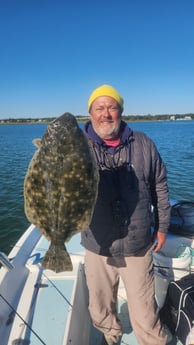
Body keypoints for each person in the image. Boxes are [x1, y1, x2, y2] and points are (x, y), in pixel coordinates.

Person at [81, 84, 171, 345]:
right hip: (97, 243)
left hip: (137, 244)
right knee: (100, 308)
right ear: (90, 113)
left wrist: (162, 226)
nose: (106, 114)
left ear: (121, 111)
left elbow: (160, 186)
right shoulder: (77, 147)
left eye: (112, 107)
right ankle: (110, 336)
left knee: (145, 312)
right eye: (99, 108)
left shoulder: (143, 143)